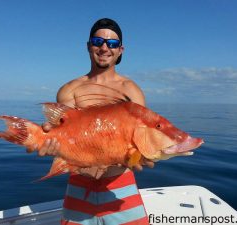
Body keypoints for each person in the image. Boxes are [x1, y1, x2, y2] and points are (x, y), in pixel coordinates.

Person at [28, 18, 154, 225]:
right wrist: (48, 144)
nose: (105, 47)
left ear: (120, 50)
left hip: (120, 187)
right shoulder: (69, 90)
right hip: (79, 185)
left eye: (112, 43)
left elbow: (141, 140)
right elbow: (62, 136)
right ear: (89, 46)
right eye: (98, 41)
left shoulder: (131, 91)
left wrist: (143, 156)